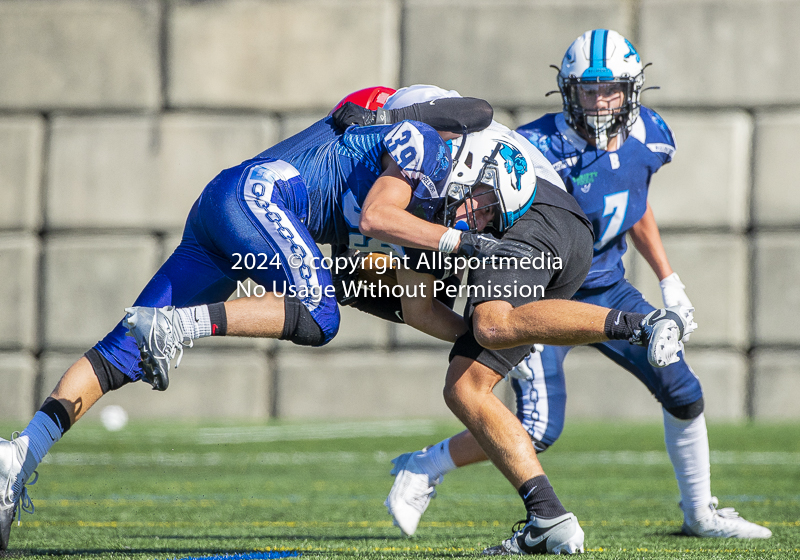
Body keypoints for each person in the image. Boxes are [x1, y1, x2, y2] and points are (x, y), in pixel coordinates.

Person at [0, 92, 526, 551]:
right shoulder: (427, 147)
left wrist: (482, 343)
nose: (474, 218)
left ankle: (19, 457)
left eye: (487, 220)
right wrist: (464, 241)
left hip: (223, 211)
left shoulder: (425, 202)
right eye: (482, 206)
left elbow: (415, 307)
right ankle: (178, 328)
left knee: (122, 351)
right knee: (320, 314)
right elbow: (375, 217)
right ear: (469, 166)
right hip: (257, 199)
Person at [384, 31, 772, 546]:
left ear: (632, 90)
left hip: (607, 283)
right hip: (537, 289)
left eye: (610, 89)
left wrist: (668, 277)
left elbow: (634, 202)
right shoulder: (537, 144)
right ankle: (426, 466)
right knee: (540, 427)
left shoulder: (651, 136)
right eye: (587, 90)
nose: (599, 101)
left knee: (683, 388)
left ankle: (700, 513)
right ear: (567, 91)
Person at [340, 84, 696, 555]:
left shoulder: (416, 129)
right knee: (465, 387)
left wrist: (454, 244)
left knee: (490, 323)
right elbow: (420, 308)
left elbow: (380, 215)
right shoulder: (426, 179)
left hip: (531, 215)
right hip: (541, 232)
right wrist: (515, 340)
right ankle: (548, 517)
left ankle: (642, 324)